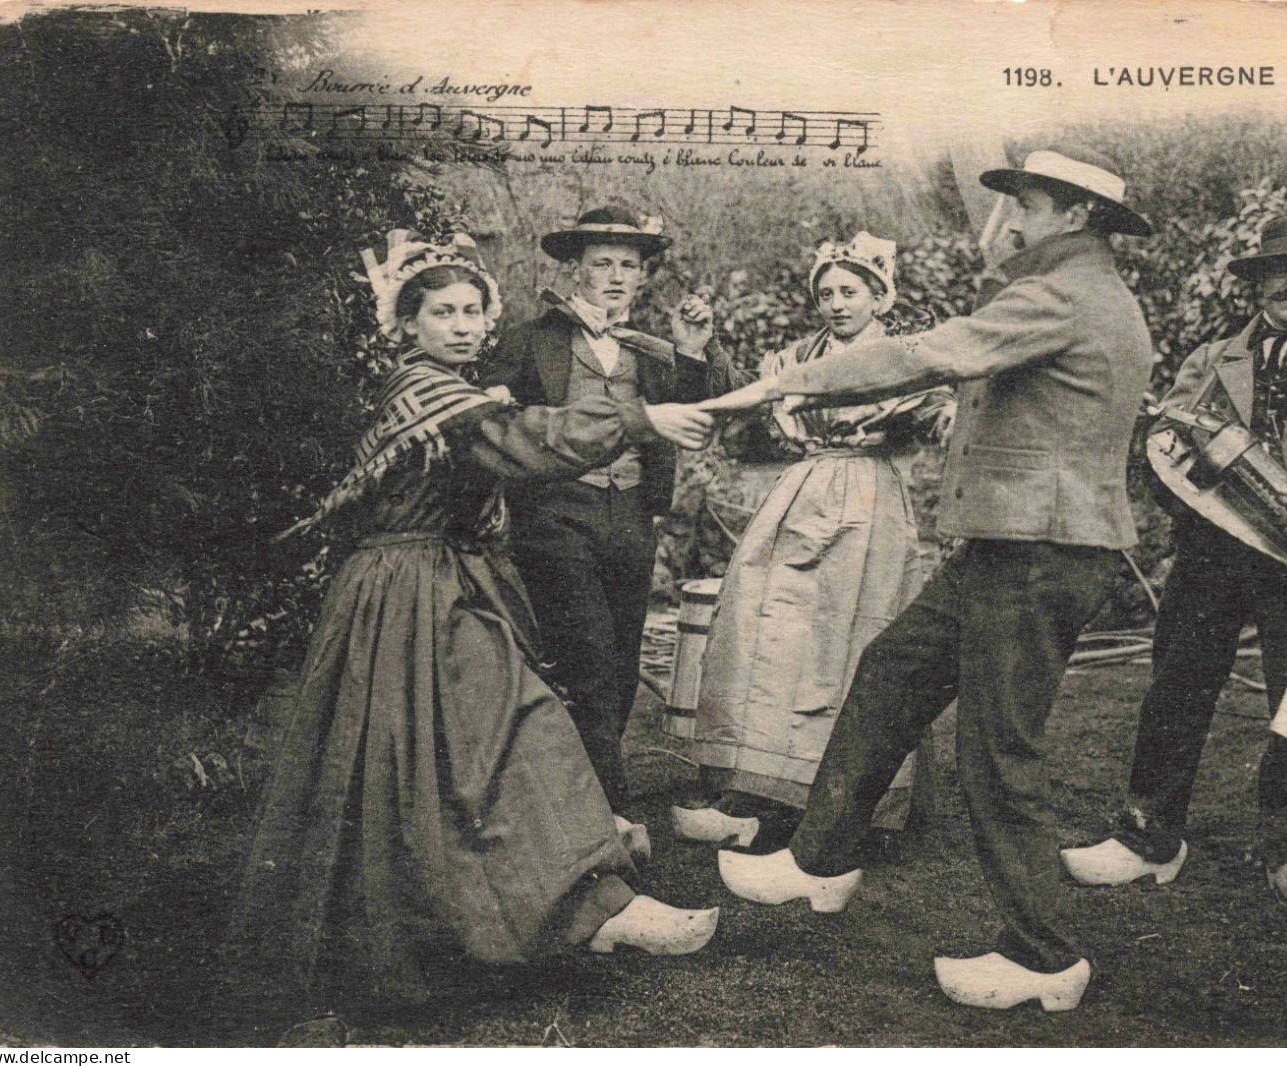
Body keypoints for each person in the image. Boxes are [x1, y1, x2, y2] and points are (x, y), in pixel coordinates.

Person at [702, 147, 1154, 1011]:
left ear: (1076, 216)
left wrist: (778, 386)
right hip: (1010, 547)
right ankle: (819, 862)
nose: (1008, 221)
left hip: (1037, 554)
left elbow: (921, 355)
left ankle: (1043, 958)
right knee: (890, 675)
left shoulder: (1061, 293)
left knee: (998, 755)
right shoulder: (1073, 286)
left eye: (1024, 205)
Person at [234, 231, 720, 1013]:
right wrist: (638, 417)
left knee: (499, 735)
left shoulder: (455, 390)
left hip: (448, 580)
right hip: (400, 591)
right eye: (441, 313)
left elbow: (516, 426)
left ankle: (582, 908)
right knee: (475, 739)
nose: (461, 326)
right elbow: (525, 438)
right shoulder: (425, 393)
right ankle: (559, 913)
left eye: (471, 312)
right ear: (408, 325)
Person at [1060, 213, 1287, 909]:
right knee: (1177, 685)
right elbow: (1166, 438)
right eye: (1279, 272)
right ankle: (1148, 838)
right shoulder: (1214, 357)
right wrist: (1189, 491)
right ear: (1256, 282)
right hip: (1211, 552)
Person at [669, 232, 954, 848]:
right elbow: (749, 411)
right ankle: (754, 788)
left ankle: (848, 802)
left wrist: (956, 418)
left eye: (850, 292)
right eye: (826, 293)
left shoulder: (904, 358)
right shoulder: (797, 357)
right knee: (763, 627)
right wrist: (708, 350)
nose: (836, 303)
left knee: (846, 636)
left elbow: (940, 413)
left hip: (868, 502)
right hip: (799, 495)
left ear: (880, 297)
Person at [482, 207, 735, 834]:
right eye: (602, 264)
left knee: (620, 663)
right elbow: (489, 422)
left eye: (629, 266)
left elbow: (693, 415)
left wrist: (694, 351)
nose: (616, 277)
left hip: (629, 517)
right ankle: (608, 809)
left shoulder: (647, 350)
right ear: (576, 269)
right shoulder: (528, 339)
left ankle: (587, 786)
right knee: (587, 657)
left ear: (643, 277)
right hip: (555, 514)